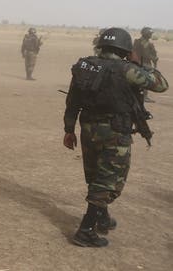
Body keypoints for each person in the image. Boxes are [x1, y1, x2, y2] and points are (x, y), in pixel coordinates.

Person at [63, 27, 168, 247]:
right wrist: (139, 63)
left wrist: (69, 129)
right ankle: (86, 229)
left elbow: (72, 100)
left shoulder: (86, 66)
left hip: (88, 129)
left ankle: (102, 217)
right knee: (110, 180)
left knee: (96, 175)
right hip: (115, 131)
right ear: (125, 50)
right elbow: (161, 84)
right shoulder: (127, 70)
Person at [132, 27, 159, 102]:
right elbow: (149, 55)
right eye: (150, 33)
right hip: (145, 64)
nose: (151, 35)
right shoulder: (146, 43)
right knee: (146, 80)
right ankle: (144, 97)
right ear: (146, 34)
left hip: (138, 63)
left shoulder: (137, 42)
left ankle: (139, 95)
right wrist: (154, 61)